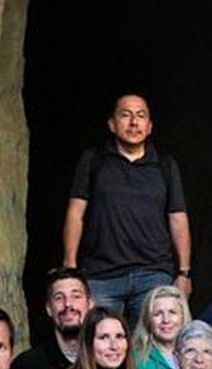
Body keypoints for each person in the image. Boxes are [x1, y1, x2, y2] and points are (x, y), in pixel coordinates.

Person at [62, 93, 192, 321]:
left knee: (148, 350)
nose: (134, 122)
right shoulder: (94, 160)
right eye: (126, 115)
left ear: (149, 126)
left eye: (140, 116)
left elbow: (178, 218)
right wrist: (70, 265)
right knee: (100, 347)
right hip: (101, 275)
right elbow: (76, 213)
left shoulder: (164, 165)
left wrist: (184, 272)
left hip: (153, 275)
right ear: (112, 124)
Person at [12, 268, 90, 369]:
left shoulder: (106, 362)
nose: (68, 304)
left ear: (90, 304)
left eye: (76, 296)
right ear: (49, 309)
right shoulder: (27, 367)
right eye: (59, 298)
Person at [133, 284, 191, 369]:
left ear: (183, 316)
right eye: (158, 314)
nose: (166, 320)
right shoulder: (135, 359)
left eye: (172, 312)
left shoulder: (199, 355)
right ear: (148, 320)